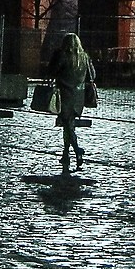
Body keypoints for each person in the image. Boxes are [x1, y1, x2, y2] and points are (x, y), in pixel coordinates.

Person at [47, 31, 96, 174]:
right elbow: (92, 75)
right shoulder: (84, 57)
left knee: (67, 125)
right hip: (78, 96)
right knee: (69, 124)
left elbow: (52, 71)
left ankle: (77, 150)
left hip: (64, 94)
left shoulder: (62, 55)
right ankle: (65, 154)